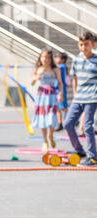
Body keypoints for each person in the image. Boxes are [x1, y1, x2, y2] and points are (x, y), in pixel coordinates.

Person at [64, 31, 97, 166]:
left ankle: (93, 156)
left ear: (93, 44)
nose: (84, 47)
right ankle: (79, 150)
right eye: (81, 44)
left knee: (88, 126)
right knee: (68, 124)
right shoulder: (76, 59)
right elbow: (74, 78)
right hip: (79, 97)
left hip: (92, 97)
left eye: (87, 44)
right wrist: (76, 94)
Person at [31, 48, 63, 153]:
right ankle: (44, 141)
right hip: (41, 97)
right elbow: (32, 82)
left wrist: (60, 93)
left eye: (48, 57)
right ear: (40, 57)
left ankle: (51, 136)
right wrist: (36, 77)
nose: (46, 59)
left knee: (52, 117)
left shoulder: (55, 69)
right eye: (44, 56)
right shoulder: (37, 69)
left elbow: (60, 82)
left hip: (52, 96)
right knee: (42, 119)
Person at [54, 52, 69, 132]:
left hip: (61, 89)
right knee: (58, 108)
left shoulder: (62, 66)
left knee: (63, 107)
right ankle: (60, 123)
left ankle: (72, 119)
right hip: (56, 89)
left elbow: (56, 70)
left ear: (63, 60)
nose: (56, 59)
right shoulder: (60, 67)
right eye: (55, 57)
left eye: (58, 57)